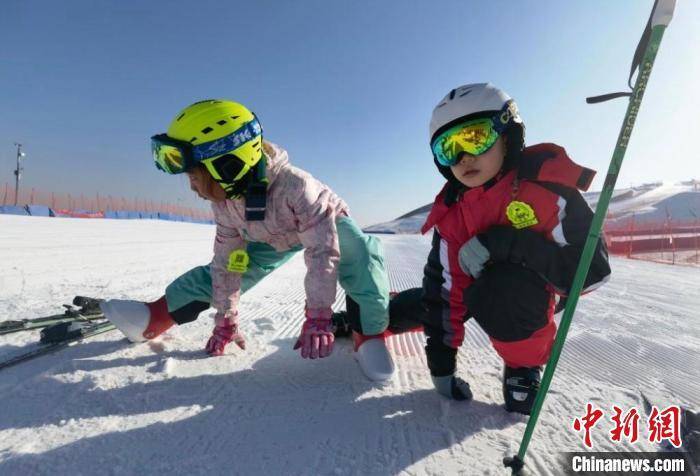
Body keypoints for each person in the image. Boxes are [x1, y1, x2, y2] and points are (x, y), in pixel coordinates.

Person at [101, 99, 394, 381]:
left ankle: (370, 332)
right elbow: (226, 265)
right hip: (270, 236)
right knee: (222, 271)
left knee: (360, 257)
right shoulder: (225, 203)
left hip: (323, 224)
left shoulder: (298, 187)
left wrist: (319, 317)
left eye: (195, 176)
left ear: (228, 165)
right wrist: (225, 318)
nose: (192, 187)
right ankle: (156, 314)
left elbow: (322, 254)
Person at [416, 82, 611, 414]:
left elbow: (591, 273)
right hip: (477, 290)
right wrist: (441, 365)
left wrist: (506, 244)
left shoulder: (549, 191)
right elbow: (444, 293)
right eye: (449, 149)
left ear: (507, 135)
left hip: (532, 290)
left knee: (505, 288)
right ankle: (369, 318)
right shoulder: (452, 213)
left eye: (475, 138)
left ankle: (523, 366)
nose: (464, 158)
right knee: (425, 302)